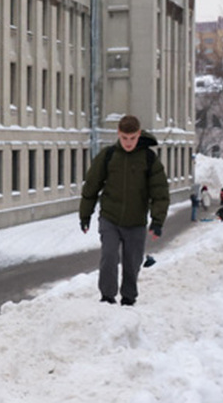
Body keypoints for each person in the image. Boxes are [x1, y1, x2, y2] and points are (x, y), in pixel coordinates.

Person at [80, 114, 170, 306]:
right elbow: (91, 187)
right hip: (110, 219)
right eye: (124, 138)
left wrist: (157, 221)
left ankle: (128, 299)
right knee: (109, 257)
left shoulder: (148, 158)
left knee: (132, 263)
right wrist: (85, 215)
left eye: (133, 138)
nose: (128, 143)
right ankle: (107, 297)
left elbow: (160, 192)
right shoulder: (108, 156)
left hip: (136, 222)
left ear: (139, 134)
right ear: (118, 134)